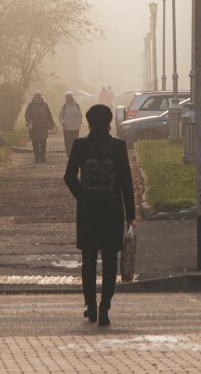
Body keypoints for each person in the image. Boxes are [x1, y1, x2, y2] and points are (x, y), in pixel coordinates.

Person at [63, 104, 135, 327]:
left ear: (89, 123)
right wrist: (130, 215)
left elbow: (69, 177)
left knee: (88, 260)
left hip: (88, 211)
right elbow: (126, 183)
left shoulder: (80, 146)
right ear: (110, 123)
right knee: (110, 260)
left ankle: (90, 305)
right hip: (112, 210)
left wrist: (83, 196)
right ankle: (105, 307)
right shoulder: (118, 147)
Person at [24, 92, 55, 163]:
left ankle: (43, 157)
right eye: (36, 98)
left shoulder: (45, 105)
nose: (37, 99)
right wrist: (28, 122)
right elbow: (26, 114)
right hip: (34, 127)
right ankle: (36, 158)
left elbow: (49, 114)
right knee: (35, 144)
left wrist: (52, 124)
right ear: (34, 98)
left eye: (39, 98)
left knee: (43, 143)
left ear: (41, 98)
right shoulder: (30, 105)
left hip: (43, 127)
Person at [58, 91, 83, 157]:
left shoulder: (77, 105)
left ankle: (75, 154)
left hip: (75, 127)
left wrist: (79, 123)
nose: (68, 98)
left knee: (75, 142)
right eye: (67, 97)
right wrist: (62, 122)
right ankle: (69, 154)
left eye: (70, 97)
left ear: (72, 97)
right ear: (65, 98)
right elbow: (60, 116)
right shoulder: (63, 106)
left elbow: (80, 115)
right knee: (68, 143)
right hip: (66, 128)